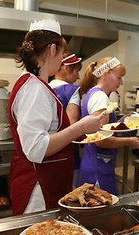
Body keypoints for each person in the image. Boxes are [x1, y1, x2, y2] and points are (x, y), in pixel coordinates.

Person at [10, 18, 103, 215]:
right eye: (62, 53)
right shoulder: (34, 89)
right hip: (39, 188)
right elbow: (36, 149)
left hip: (45, 182)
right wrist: (80, 127)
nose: (62, 59)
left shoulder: (33, 83)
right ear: (52, 49)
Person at [78, 57, 139, 195]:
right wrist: (129, 141)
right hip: (98, 169)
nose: (121, 82)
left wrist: (122, 121)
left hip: (96, 163)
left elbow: (102, 128)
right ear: (107, 72)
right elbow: (101, 141)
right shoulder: (100, 98)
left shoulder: (94, 94)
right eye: (119, 77)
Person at [49, 53, 83, 187]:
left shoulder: (45, 87)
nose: (78, 76)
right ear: (66, 68)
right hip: (66, 152)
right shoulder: (71, 91)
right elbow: (72, 126)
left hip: (47, 150)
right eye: (76, 70)